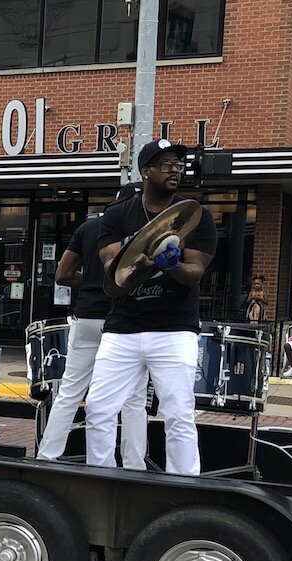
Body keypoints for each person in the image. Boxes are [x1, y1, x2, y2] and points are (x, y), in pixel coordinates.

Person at [84, 139, 218, 476]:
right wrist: (138, 251)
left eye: (178, 164)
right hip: (123, 328)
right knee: (99, 409)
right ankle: (98, 479)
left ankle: (184, 485)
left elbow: (195, 271)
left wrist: (172, 265)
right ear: (146, 172)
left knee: (178, 413)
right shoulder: (117, 214)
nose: (175, 169)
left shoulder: (194, 217)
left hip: (174, 329)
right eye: (166, 164)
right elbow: (110, 263)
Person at [36, 187, 149, 466]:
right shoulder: (144, 232)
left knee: (70, 392)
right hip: (123, 321)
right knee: (133, 399)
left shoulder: (89, 229)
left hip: (87, 316)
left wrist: (89, 283)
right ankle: (134, 466)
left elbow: (62, 274)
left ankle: (47, 457)